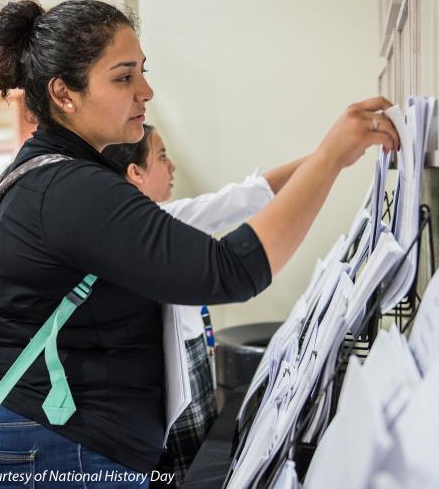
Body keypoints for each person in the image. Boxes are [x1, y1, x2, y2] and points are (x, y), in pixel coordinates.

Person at [0, 0, 399, 488]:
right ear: (64, 95)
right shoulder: (69, 191)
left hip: (61, 447)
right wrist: (329, 161)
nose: (146, 91)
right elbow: (228, 270)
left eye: (142, 72)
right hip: (56, 454)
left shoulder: (60, 180)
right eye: (124, 76)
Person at [103, 125, 308, 484]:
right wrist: (323, 160)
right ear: (134, 173)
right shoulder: (163, 223)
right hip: (175, 400)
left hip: (191, 380)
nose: (173, 166)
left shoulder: (155, 226)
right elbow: (244, 198)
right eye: (162, 156)